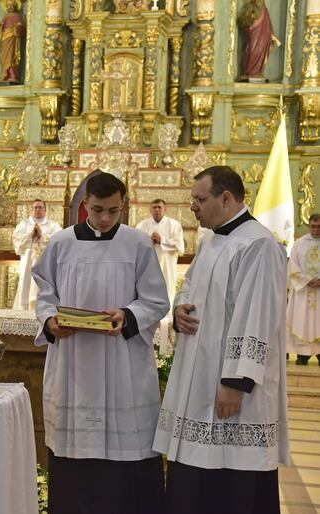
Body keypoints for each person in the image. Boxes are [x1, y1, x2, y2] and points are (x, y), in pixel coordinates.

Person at [153, 166, 288, 514]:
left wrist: (236, 382)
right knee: (194, 478)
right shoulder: (211, 240)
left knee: (231, 485)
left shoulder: (259, 244)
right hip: (197, 383)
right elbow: (191, 288)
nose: (193, 208)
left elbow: (257, 315)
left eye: (200, 200)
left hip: (230, 390)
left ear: (226, 198)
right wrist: (180, 308)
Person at [33, 171, 169, 514]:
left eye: (113, 211)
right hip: (73, 362)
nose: (105, 218)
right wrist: (50, 321)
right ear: (84, 205)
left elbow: (155, 300)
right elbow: (45, 294)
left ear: (123, 205)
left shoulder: (137, 243)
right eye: (97, 210)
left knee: (124, 468)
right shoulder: (62, 243)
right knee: (74, 463)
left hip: (121, 361)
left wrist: (127, 315)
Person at [12, 199, 62, 310]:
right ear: (32, 210)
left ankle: (46, 308)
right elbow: (16, 238)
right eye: (35, 207)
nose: (38, 210)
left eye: (40, 207)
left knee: (43, 284)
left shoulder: (53, 225)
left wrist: (42, 236)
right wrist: (31, 235)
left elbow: (58, 240)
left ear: (45, 210)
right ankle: (24, 309)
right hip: (28, 261)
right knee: (27, 284)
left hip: (45, 261)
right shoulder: (24, 224)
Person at [135, 199, 185, 303]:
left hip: (167, 263)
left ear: (165, 209)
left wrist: (162, 240)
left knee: (167, 287)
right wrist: (149, 241)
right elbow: (135, 244)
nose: (157, 210)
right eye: (154, 207)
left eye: (159, 207)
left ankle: (167, 315)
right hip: (148, 264)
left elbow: (179, 245)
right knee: (148, 288)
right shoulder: (142, 225)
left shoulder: (174, 225)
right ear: (150, 210)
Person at [287, 213, 320, 364]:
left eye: (319, 227)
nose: (316, 229)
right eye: (313, 226)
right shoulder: (299, 244)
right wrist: (307, 280)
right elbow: (292, 266)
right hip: (304, 290)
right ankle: (303, 353)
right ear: (309, 225)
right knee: (303, 321)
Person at [238, 0, 280, 80]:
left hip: (263, 38)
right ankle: (248, 72)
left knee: (261, 52)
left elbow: (268, 25)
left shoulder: (265, 10)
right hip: (253, 34)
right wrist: (250, 18)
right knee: (251, 51)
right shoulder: (250, 6)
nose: (260, 1)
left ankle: (257, 73)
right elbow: (244, 20)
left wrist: (272, 36)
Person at [0, 0, 25, 83]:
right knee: (4, 57)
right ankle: (5, 75)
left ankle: (12, 75)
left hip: (12, 39)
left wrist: (17, 28)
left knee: (11, 57)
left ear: (15, 6)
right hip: (5, 39)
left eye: (11, 5)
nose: (9, 7)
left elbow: (21, 29)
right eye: (7, 5)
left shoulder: (17, 16)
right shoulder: (5, 17)